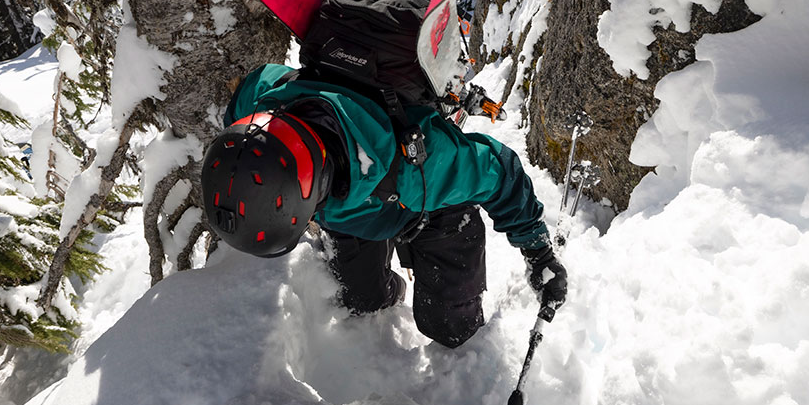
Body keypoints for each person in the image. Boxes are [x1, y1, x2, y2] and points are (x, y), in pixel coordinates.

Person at [201, 63, 567, 348]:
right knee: (362, 301)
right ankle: (387, 285)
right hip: (358, 206)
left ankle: (459, 350)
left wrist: (539, 254)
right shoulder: (264, 101)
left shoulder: (419, 169)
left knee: (452, 331)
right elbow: (254, 84)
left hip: (429, 209)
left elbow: (499, 170)